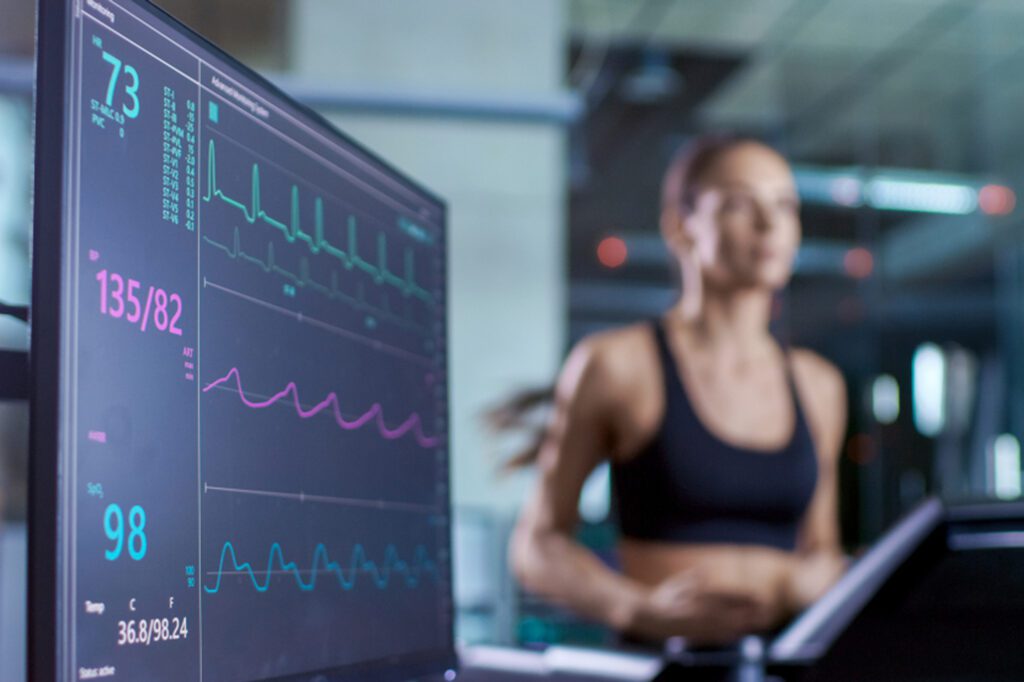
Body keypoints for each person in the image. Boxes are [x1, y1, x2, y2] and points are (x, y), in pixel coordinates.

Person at [506, 134, 848, 646]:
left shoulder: (819, 384)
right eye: (739, 203)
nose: (769, 223)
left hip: (783, 660)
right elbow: (537, 545)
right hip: (664, 661)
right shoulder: (617, 364)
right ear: (680, 227)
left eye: (785, 206)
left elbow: (824, 550)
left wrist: (809, 582)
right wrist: (637, 609)